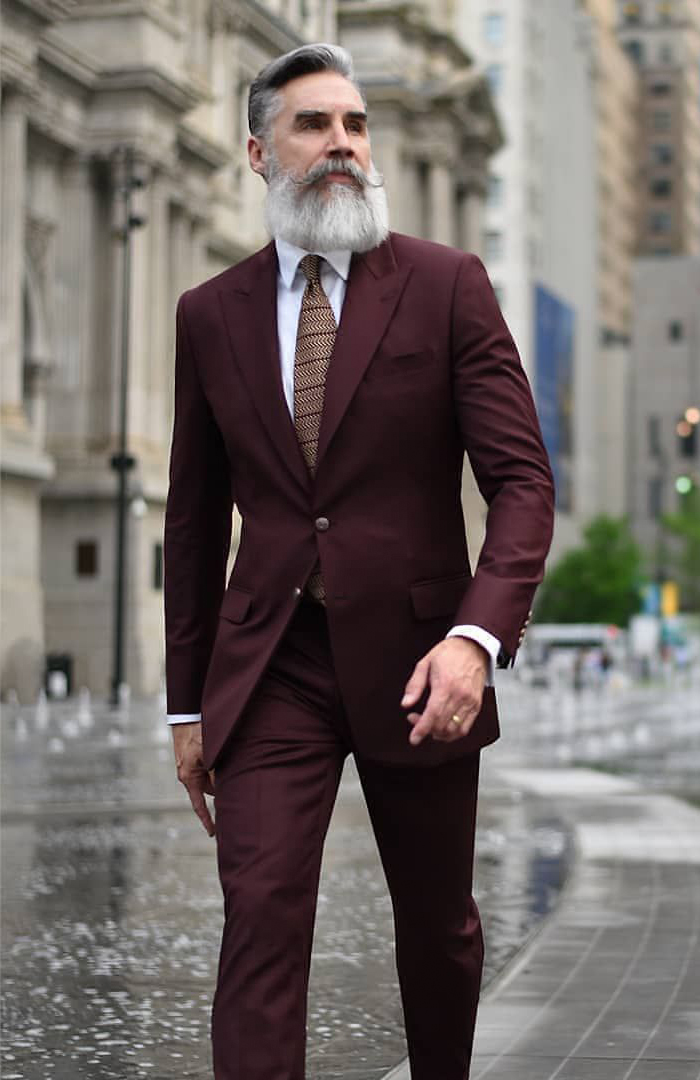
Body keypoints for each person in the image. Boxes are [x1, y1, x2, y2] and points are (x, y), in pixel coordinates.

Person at [164, 43, 554, 1080]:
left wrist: (475, 639)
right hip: (272, 664)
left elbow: (520, 484)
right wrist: (184, 706)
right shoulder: (209, 314)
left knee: (439, 931)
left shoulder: (446, 286)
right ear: (258, 151)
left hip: (422, 665)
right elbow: (196, 522)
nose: (342, 143)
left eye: (355, 124)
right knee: (259, 923)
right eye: (312, 125)